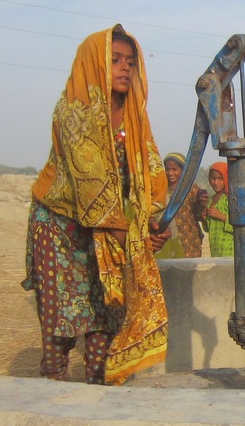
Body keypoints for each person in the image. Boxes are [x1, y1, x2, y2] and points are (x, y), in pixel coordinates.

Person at [23, 25, 171, 386]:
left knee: (104, 319)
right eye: (115, 60)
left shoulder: (134, 114)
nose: (125, 69)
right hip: (61, 229)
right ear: (94, 64)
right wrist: (130, 241)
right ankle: (52, 402)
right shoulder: (73, 111)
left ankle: (100, 399)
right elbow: (92, 184)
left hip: (106, 230)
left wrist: (155, 222)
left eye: (131, 63)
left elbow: (150, 171)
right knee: (61, 325)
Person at [158, 152, 207, 258]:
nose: (170, 173)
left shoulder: (191, 189)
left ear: (183, 170)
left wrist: (201, 203)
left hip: (189, 241)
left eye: (174, 169)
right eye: (167, 169)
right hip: (166, 239)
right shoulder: (161, 189)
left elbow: (199, 214)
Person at [205, 161, 233, 258]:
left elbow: (239, 226)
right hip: (215, 249)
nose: (216, 182)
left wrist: (219, 216)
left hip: (230, 250)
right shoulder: (210, 200)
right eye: (213, 178)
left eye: (220, 179)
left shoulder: (230, 199)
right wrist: (203, 218)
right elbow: (208, 228)